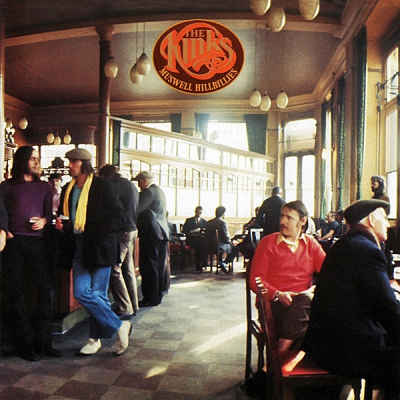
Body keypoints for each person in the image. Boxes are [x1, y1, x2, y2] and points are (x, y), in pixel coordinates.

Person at [304, 199, 399, 399]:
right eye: (384, 217)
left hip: (330, 344)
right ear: (371, 219)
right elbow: (387, 307)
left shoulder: (350, 244)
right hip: (344, 352)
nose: (388, 224)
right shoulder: (365, 250)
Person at [55, 148, 131, 356]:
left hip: (101, 246)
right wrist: (62, 225)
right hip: (79, 245)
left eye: (74, 162)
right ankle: (119, 325)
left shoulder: (102, 185)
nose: (69, 165)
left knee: (98, 294)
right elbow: (66, 217)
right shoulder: (68, 188)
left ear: (84, 163)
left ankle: (94, 339)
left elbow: (119, 216)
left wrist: (96, 231)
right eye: (69, 162)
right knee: (81, 292)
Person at [0, 146, 60, 361]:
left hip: (37, 243)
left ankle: (44, 343)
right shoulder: (6, 186)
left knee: (45, 290)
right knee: (15, 293)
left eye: (37, 159)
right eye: (33, 158)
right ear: (22, 160)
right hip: (13, 243)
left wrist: (44, 220)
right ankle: (24, 345)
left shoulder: (44, 187)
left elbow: (48, 215)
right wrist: (4, 230)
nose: (36, 162)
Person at [250, 200, 325, 352]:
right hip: (272, 305)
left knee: (307, 304)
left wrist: (314, 289)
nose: (283, 221)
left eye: (289, 217)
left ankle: (276, 360)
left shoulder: (311, 244)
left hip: (302, 303)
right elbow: (255, 280)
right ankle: (283, 361)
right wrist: (277, 295)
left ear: (302, 221)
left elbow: (328, 272)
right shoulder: (268, 243)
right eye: (282, 216)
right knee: (307, 328)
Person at [98, 164, 139, 319]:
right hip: (132, 229)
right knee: (128, 269)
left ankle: (124, 308)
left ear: (106, 176)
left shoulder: (114, 186)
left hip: (122, 231)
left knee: (114, 268)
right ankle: (133, 305)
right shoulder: (130, 185)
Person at [133, 171, 169, 307]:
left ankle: (150, 298)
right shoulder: (159, 191)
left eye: (139, 182)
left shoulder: (148, 192)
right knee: (158, 266)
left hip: (151, 233)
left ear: (145, 180)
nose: (139, 185)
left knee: (148, 266)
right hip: (161, 233)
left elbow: (137, 209)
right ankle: (156, 296)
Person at [205, 206, 240, 274]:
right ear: (222, 214)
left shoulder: (208, 222)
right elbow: (225, 236)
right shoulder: (223, 222)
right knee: (236, 249)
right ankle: (224, 263)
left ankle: (222, 262)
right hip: (221, 246)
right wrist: (230, 241)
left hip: (209, 246)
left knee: (230, 246)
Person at [182, 206, 207, 270]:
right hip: (191, 240)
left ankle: (202, 263)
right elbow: (184, 231)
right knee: (200, 245)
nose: (199, 215)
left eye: (200, 213)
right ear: (195, 212)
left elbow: (206, 231)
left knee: (203, 244)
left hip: (200, 240)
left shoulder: (204, 221)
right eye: (198, 213)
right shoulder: (189, 220)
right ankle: (199, 263)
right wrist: (192, 231)